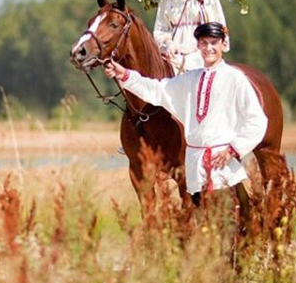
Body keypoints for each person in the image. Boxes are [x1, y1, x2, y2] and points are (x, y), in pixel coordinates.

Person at [104, 22, 267, 208]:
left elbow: (257, 121)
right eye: (204, 43)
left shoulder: (235, 78)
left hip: (222, 168)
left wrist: (234, 149)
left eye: (214, 43)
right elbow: (156, 90)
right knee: (199, 228)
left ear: (223, 44)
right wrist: (124, 74)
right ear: (198, 46)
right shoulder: (190, 79)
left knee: (225, 226)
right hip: (195, 170)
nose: (209, 48)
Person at [153, 0, 230, 74]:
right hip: (173, 56)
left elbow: (218, 23)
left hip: (201, 54)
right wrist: (168, 43)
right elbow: (161, 28)